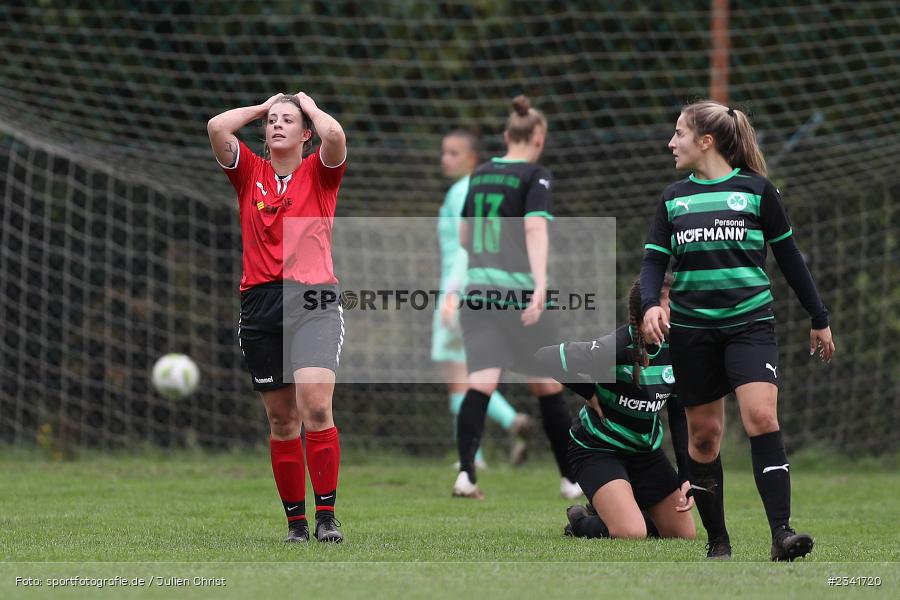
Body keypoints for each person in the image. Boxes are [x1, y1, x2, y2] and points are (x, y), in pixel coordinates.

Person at [640, 100, 835, 560]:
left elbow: (789, 258)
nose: (671, 143)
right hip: (691, 332)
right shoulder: (672, 198)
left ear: (706, 141)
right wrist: (650, 305)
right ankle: (718, 542)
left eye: (679, 134)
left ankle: (782, 534)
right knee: (703, 437)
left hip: (749, 324)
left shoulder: (757, 191)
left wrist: (819, 317)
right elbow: (652, 261)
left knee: (762, 418)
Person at [207, 92, 348, 543]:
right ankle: (296, 525)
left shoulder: (320, 172)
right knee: (282, 420)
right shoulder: (250, 173)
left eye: (288, 120)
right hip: (260, 305)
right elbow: (217, 127)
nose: (277, 125)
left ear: (305, 132)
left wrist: (307, 104)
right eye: (272, 121)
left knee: (316, 406)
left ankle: (327, 517)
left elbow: (335, 135)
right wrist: (262, 105)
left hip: (314, 300)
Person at [452, 95, 580, 500]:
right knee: (547, 386)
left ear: (508, 135)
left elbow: (464, 238)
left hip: (477, 294)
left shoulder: (481, 174)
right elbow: (534, 230)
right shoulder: (536, 175)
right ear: (538, 137)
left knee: (481, 384)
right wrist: (540, 283)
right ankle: (569, 479)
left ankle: (466, 475)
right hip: (518, 296)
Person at [534, 276, 696, 541]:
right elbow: (544, 357)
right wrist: (588, 391)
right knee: (631, 533)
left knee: (683, 535)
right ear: (648, 309)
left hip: (646, 453)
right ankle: (580, 521)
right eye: (674, 304)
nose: (683, 310)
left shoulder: (678, 350)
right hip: (598, 450)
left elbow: (679, 414)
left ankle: (615, 511)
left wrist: (686, 476)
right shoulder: (614, 348)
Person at [435, 129, 535, 469]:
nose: (445, 159)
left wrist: (451, 296)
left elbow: (466, 251)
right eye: (444, 152)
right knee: (471, 374)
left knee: (458, 376)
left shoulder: (464, 191)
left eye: (453, 152)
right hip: (474, 286)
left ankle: (476, 453)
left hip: (459, 285)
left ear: (473, 158)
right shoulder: (474, 189)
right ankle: (510, 423)